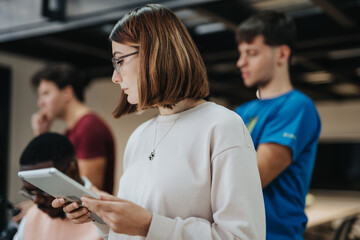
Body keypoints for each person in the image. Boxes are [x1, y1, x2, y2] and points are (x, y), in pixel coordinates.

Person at [53, 4, 266, 240]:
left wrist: (149, 225)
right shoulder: (139, 136)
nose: (115, 77)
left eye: (119, 61)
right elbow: (133, 231)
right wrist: (104, 220)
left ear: (153, 54)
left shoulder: (222, 126)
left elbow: (243, 236)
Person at [234, 11, 321, 240]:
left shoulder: (297, 106)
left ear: (282, 54)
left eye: (251, 53)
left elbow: (252, 178)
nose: (241, 62)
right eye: (241, 53)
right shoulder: (240, 112)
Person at [30, 64, 115, 194]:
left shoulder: (89, 127)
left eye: (46, 93)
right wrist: (41, 136)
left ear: (67, 93)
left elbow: (88, 190)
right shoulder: (70, 132)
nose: (40, 103)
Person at [13, 132, 101, 240]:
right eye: (30, 192)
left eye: (43, 190)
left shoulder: (105, 217)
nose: (36, 200)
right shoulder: (30, 218)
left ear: (71, 171)